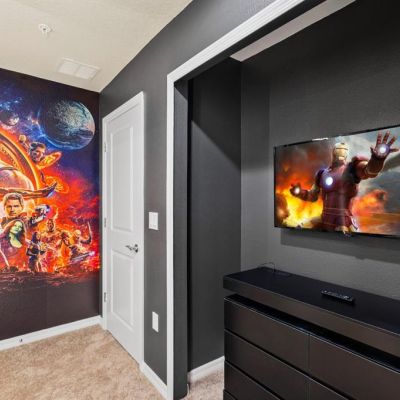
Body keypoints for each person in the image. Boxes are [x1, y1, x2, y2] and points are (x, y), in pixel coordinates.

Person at [290, 132, 398, 232]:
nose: (341, 151)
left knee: (343, 237)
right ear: (333, 153)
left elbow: (369, 170)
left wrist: (377, 159)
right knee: (300, 227)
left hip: (343, 221)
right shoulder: (322, 173)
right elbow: (312, 196)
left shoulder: (351, 169)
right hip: (324, 218)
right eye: (338, 149)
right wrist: (300, 193)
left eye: (343, 150)